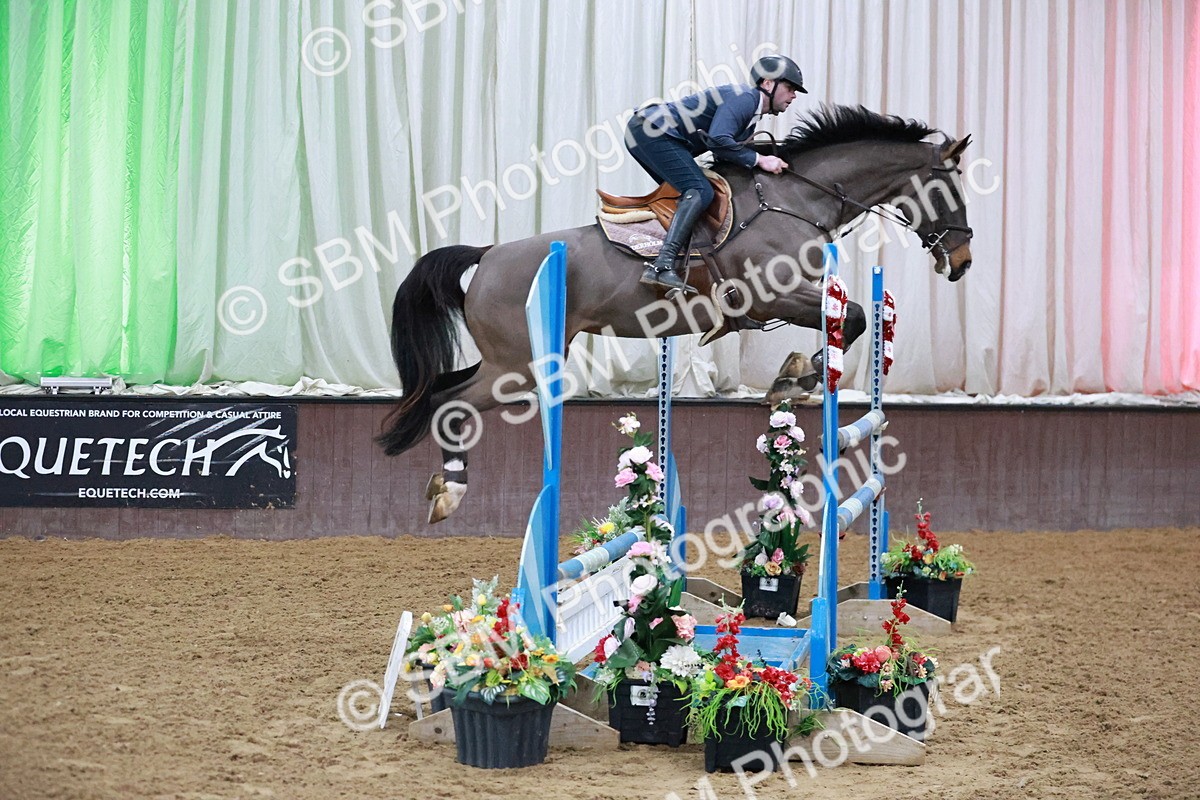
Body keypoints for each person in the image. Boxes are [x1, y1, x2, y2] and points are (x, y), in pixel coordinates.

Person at [626, 54, 808, 294]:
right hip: (653, 130)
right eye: (789, 87)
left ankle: (671, 258)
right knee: (700, 190)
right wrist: (761, 160)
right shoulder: (745, 98)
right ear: (767, 83)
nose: (793, 95)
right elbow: (719, 140)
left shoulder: (750, 118)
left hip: (647, 131)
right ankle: (662, 265)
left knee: (692, 195)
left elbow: (725, 156)